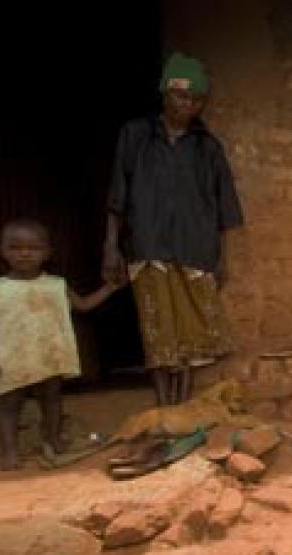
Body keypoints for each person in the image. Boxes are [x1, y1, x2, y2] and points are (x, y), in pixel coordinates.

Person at [102, 52, 244, 407]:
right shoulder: (135, 135)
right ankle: (163, 401)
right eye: (181, 96)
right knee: (157, 327)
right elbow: (118, 193)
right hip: (148, 246)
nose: (188, 104)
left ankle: (181, 401)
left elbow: (226, 208)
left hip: (196, 248)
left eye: (197, 99)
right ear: (165, 92)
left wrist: (225, 260)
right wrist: (111, 245)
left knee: (189, 328)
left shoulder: (208, 147)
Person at [0, 219, 120, 470]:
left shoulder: (56, 285)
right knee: (9, 406)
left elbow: (83, 305)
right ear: (2, 251)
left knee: (52, 399)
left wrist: (110, 288)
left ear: (47, 253)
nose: (24, 253)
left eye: (34, 248)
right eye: (15, 247)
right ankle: (9, 453)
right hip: (12, 358)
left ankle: (53, 439)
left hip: (48, 355)